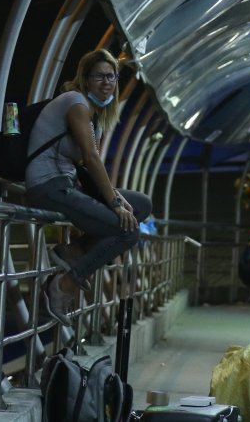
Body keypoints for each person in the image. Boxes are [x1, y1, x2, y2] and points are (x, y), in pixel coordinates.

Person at [24, 49, 153, 326]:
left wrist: (117, 197)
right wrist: (115, 203)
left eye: (111, 76)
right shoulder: (76, 102)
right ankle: (64, 284)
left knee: (142, 204)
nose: (106, 82)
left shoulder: (96, 116)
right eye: (98, 76)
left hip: (68, 185)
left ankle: (72, 252)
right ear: (85, 78)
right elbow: (92, 158)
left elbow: (87, 166)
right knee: (128, 231)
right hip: (48, 185)